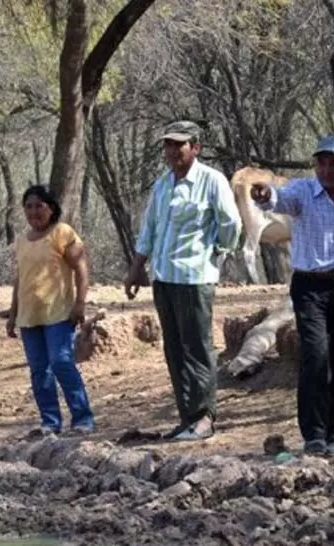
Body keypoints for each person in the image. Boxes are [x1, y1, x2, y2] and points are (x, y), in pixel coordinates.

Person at [249, 135, 334, 457]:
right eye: (322, 162)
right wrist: (265, 194)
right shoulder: (303, 191)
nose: (327, 170)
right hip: (310, 286)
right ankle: (314, 433)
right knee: (315, 355)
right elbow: (279, 200)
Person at [124, 120, 243, 441]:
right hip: (163, 278)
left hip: (194, 278)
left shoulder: (211, 181)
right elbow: (149, 228)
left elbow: (230, 224)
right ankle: (186, 417)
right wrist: (137, 267)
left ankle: (205, 417)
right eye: (169, 144)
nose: (174, 150)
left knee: (197, 348)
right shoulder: (163, 184)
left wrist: (219, 251)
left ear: (196, 147)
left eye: (180, 144)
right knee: (174, 350)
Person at [6, 185, 94, 437]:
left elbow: (81, 268)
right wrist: (13, 314)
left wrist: (80, 303)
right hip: (29, 315)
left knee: (61, 362)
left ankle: (82, 417)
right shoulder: (23, 240)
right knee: (38, 370)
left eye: (39, 206)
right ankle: (50, 421)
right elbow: (20, 278)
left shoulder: (62, 232)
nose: (34, 211)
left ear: (51, 208)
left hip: (58, 312)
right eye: (29, 206)